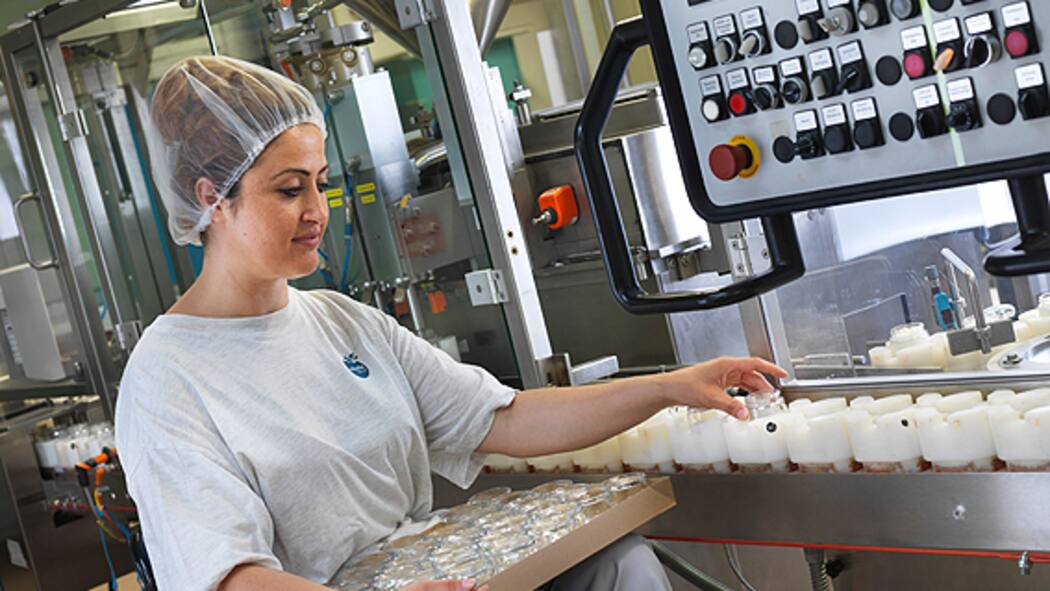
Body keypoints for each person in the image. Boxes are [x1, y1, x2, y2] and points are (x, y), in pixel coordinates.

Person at [115, 56, 787, 591]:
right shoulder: (168, 379)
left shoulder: (342, 323)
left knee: (619, 565)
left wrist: (670, 387)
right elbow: (229, 577)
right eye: (290, 189)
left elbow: (504, 417)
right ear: (213, 198)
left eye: (321, 183)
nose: (318, 210)